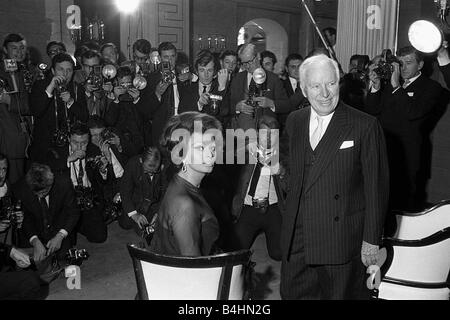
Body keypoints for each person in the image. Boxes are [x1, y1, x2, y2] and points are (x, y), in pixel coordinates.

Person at [280, 54, 389, 299]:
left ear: (338, 82)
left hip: (340, 240)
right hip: (298, 239)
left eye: (330, 84)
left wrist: (371, 240)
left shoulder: (364, 125)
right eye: (316, 86)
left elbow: (377, 189)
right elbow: (296, 178)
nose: (325, 93)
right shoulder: (294, 121)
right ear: (304, 90)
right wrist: (278, 170)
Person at [365, 46, 444, 211]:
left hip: (409, 156)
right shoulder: (392, 84)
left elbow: (412, 113)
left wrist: (395, 86)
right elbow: (372, 111)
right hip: (384, 151)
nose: (403, 68)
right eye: (400, 63)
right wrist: (376, 86)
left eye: (409, 63)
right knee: (381, 201)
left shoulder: (431, 88)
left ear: (420, 65)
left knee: (406, 204)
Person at [150, 112, 221, 256]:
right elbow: (192, 267)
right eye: (200, 148)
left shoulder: (181, 181)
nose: (210, 154)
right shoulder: (184, 204)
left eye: (212, 147)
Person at [232, 115, 286, 261]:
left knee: (279, 253)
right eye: (264, 133)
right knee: (236, 253)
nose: (267, 138)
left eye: (272, 134)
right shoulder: (248, 150)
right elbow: (227, 158)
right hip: (249, 208)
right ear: (257, 134)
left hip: (272, 208)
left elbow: (292, 186)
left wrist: (281, 171)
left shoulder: (282, 155)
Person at [45, 122, 108, 243]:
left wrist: (103, 170)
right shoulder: (57, 151)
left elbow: (101, 182)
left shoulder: (93, 150)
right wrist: (68, 159)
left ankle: (79, 225)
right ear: (69, 139)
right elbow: (48, 167)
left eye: (84, 143)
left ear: (88, 140)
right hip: (66, 201)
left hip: (87, 199)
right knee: (68, 243)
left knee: (99, 237)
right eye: (75, 143)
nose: (79, 147)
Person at [12, 163, 80, 262]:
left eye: (44, 192)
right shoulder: (20, 189)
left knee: (63, 257)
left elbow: (74, 212)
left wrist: (60, 235)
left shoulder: (63, 183)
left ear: (51, 183)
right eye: (37, 193)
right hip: (35, 227)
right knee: (25, 260)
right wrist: (34, 240)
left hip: (58, 226)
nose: (40, 196)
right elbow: (25, 218)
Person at [29, 52, 88, 164]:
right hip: (44, 147)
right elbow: (36, 111)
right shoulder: (40, 85)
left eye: (69, 70)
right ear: (52, 71)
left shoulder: (77, 88)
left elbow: (84, 117)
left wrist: (71, 102)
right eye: (61, 69)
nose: (65, 74)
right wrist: (50, 88)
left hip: (68, 146)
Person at [228, 43, 290, 130]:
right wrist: (237, 107)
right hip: (241, 132)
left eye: (250, 61)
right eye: (244, 63)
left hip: (268, 130)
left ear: (258, 56)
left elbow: (286, 105)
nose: (247, 66)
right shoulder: (237, 78)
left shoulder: (273, 79)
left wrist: (271, 104)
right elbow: (227, 106)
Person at [0, 33, 33, 184]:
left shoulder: (25, 71)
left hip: (23, 139)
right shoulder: (5, 72)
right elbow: (26, 106)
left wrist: (9, 100)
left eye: (22, 48)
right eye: (14, 48)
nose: (19, 52)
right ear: (5, 50)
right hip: (10, 139)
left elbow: (29, 105)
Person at [119, 146, 168, 234]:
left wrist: (159, 213)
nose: (150, 174)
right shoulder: (132, 164)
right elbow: (125, 190)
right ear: (141, 160)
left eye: (154, 172)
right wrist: (134, 214)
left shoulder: (165, 165)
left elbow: (166, 193)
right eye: (147, 171)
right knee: (125, 224)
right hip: (137, 200)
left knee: (149, 230)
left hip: (154, 203)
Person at [178, 49, 228, 119]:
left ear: (214, 71)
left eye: (209, 70)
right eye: (202, 70)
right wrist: (199, 104)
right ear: (196, 71)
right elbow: (182, 114)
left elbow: (224, 113)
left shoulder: (220, 87)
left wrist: (221, 88)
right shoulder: (188, 88)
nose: (206, 75)